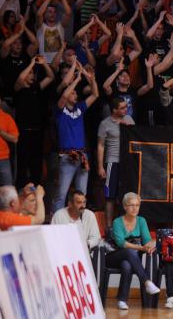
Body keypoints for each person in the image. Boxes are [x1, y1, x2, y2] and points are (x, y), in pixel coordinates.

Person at [53, 65, 98, 212]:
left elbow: (95, 95)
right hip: (67, 155)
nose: (75, 95)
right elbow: (64, 96)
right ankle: (57, 225)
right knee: (62, 193)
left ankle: (79, 223)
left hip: (83, 155)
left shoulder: (80, 107)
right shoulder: (59, 110)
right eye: (73, 93)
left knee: (82, 193)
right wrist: (77, 79)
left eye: (75, 93)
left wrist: (91, 80)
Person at [106, 192, 160, 311]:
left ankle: (122, 300)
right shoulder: (117, 222)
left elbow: (147, 240)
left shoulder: (141, 221)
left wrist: (149, 246)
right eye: (131, 205)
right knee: (129, 252)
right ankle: (146, 281)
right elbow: (121, 243)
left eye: (137, 205)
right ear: (125, 206)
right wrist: (141, 248)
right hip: (113, 256)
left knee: (127, 265)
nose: (135, 208)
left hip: (131, 260)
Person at [97, 96, 135, 224]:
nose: (126, 109)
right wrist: (100, 167)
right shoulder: (105, 123)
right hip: (112, 162)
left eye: (126, 107)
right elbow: (100, 146)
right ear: (114, 110)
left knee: (125, 197)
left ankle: (125, 227)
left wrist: (129, 128)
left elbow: (136, 138)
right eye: (122, 108)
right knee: (110, 196)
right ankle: (108, 227)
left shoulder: (129, 119)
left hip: (127, 162)